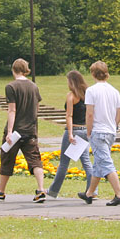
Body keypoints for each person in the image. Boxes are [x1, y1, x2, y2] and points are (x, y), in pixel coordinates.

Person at [0, 58, 47, 203]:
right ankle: (40, 190)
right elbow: (36, 108)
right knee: (35, 160)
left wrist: (9, 131)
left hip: (15, 132)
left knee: (7, 159)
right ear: (25, 70)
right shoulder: (34, 86)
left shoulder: (11, 86)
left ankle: (1, 191)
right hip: (31, 131)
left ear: (13, 70)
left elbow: (12, 110)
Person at [78, 60, 120, 206]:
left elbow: (90, 114)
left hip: (98, 131)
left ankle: (119, 195)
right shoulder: (114, 91)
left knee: (105, 162)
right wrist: (114, 125)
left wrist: (88, 131)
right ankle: (89, 193)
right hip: (110, 131)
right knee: (99, 163)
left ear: (93, 74)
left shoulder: (92, 91)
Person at [46, 71, 95, 199]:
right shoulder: (87, 95)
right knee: (86, 162)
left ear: (72, 82)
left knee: (64, 163)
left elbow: (69, 115)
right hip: (85, 130)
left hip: (74, 130)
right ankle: (92, 190)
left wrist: (70, 134)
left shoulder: (71, 96)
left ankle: (53, 190)